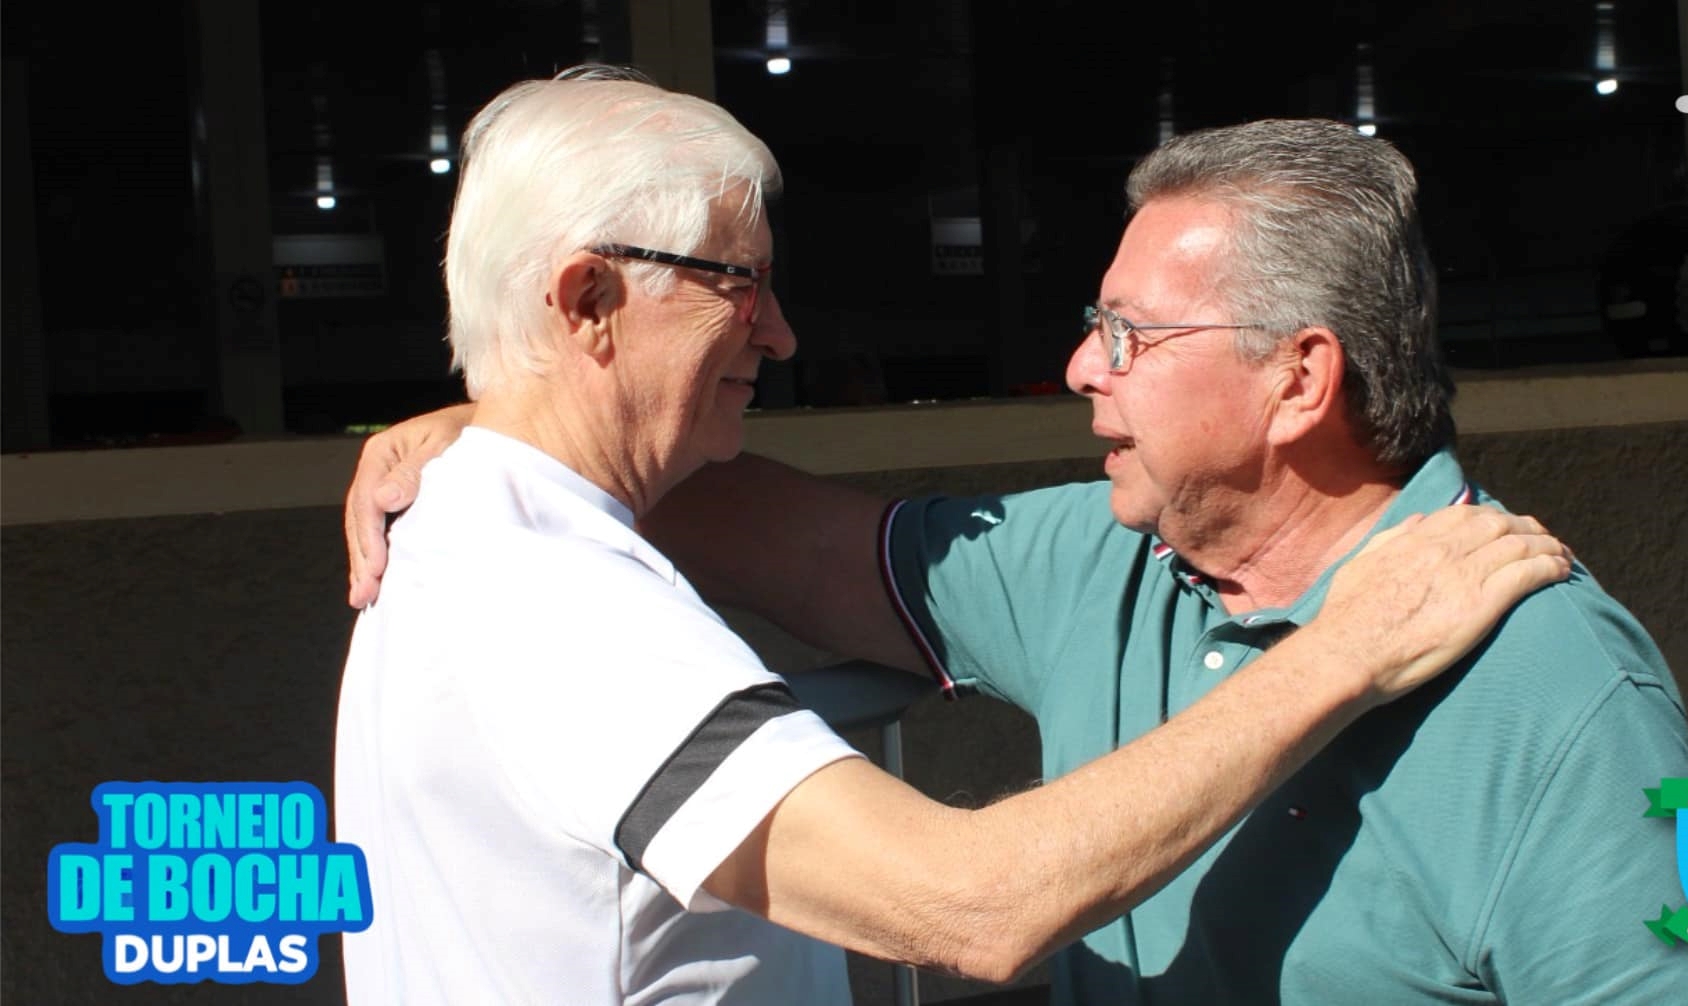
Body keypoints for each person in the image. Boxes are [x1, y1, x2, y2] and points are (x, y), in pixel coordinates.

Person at [335, 68, 1571, 1005]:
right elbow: (966, 905)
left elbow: (802, 547)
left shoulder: (478, 528)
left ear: (1300, 378)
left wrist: (501, 418)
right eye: (737, 282)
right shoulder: (555, 602)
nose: (780, 333)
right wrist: (1345, 650)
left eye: (1132, 334)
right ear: (589, 301)